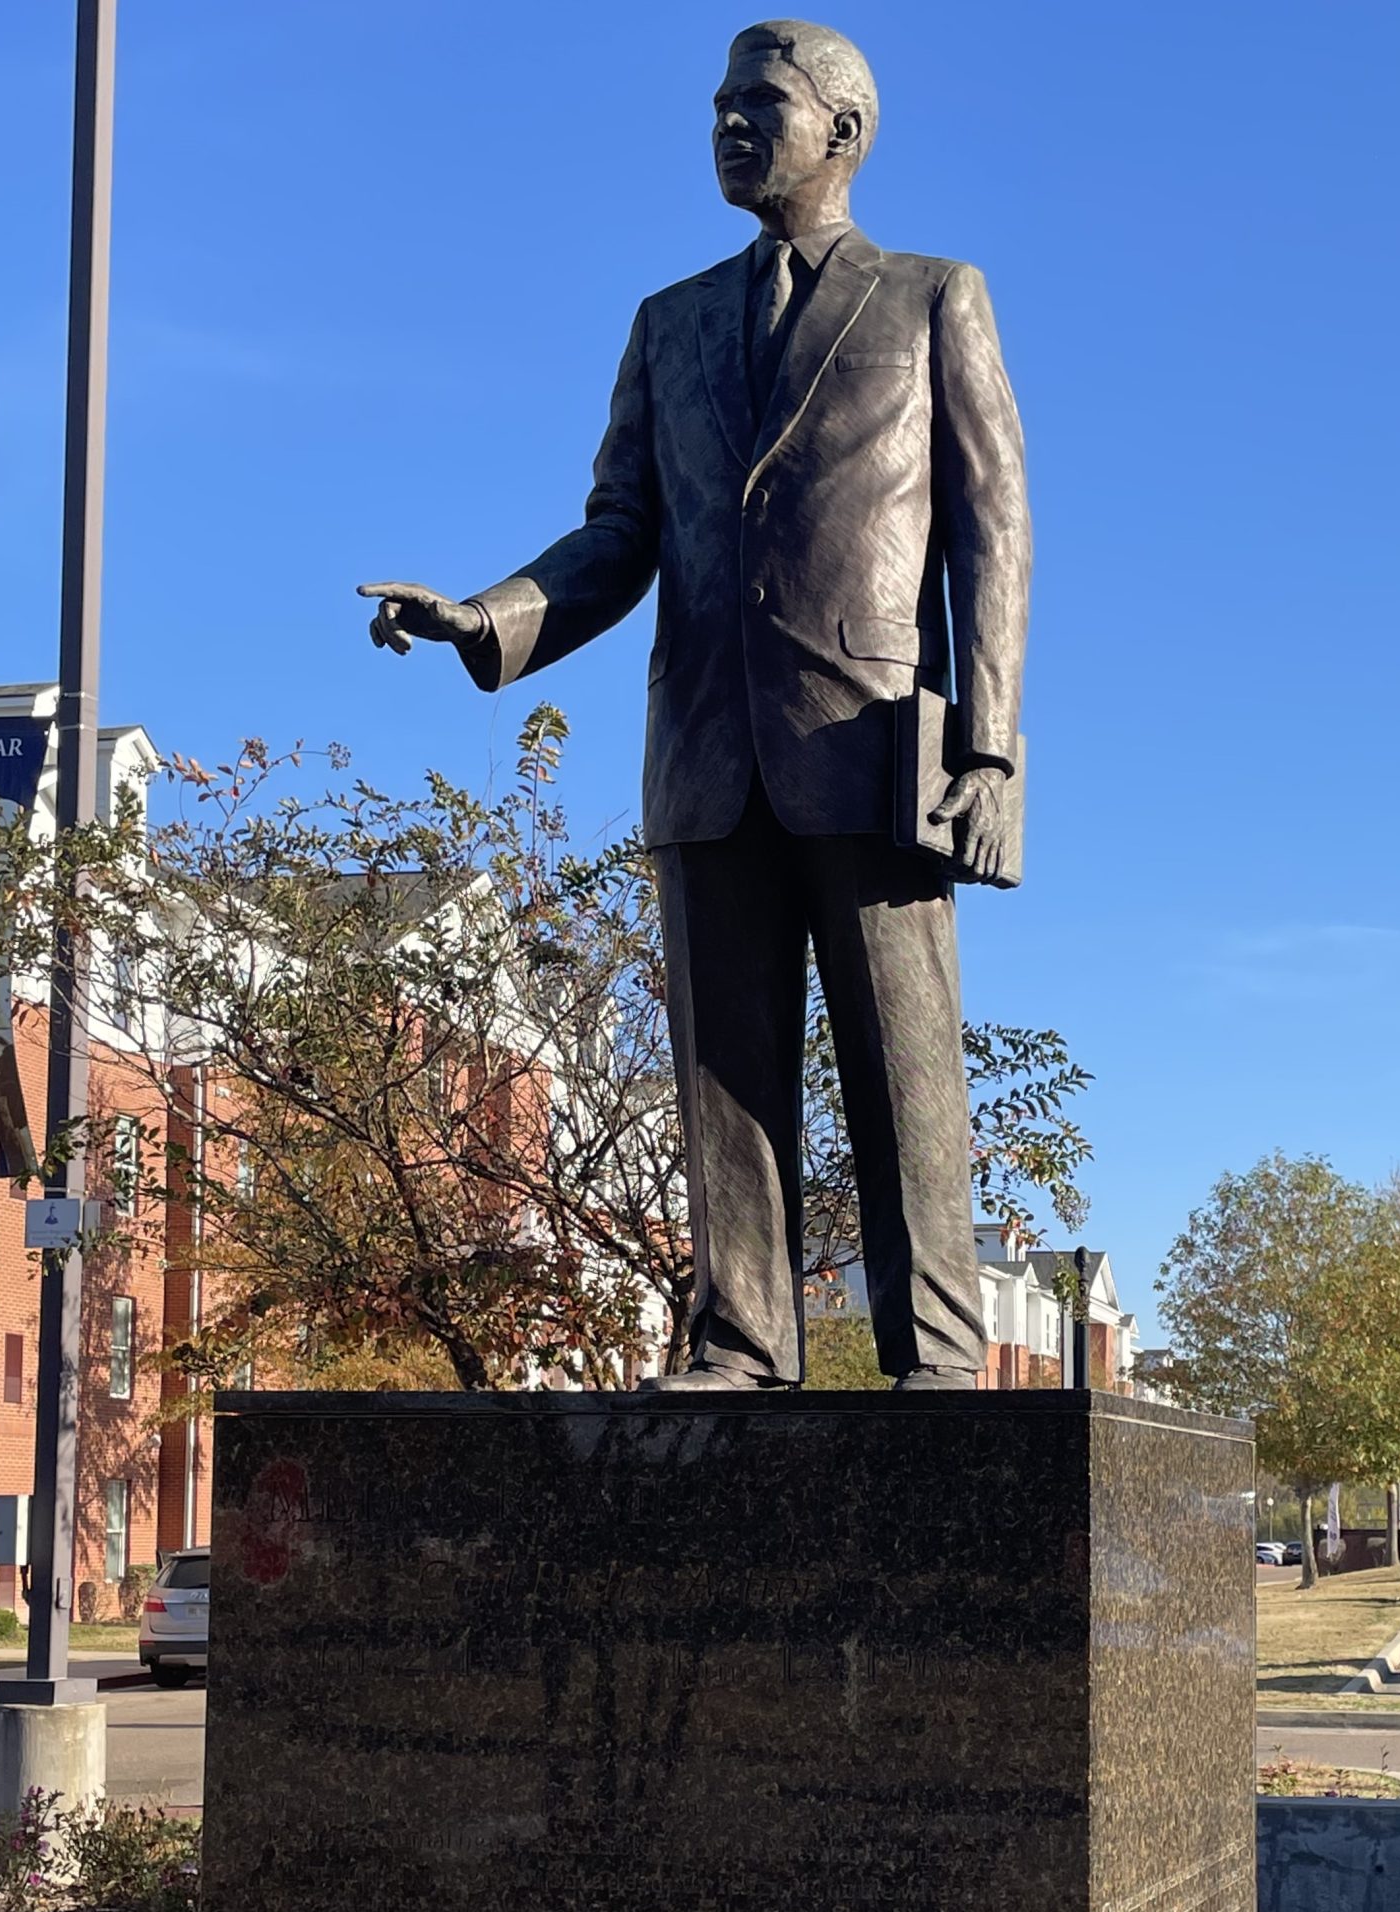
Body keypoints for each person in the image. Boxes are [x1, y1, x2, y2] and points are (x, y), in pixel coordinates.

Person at [361, 18, 1030, 1392]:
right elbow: (616, 536)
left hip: (873, 746)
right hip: (705, 746)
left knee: (906, 1074)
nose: (726, 123)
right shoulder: (664, 325)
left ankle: (941, 1362)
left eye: (759, 103)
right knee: (721, 1077)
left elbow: (993, 530)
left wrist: (989, 744)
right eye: (717, 103)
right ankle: (736, 1344)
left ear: (840, 132)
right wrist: (487, 617)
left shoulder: (928, 296)